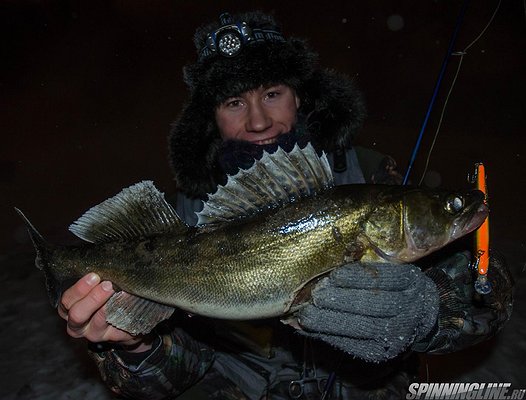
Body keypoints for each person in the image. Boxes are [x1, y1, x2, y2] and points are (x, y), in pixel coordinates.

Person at [58, 11, 513, 399]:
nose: (258, 120)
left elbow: (488, 294)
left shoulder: (373, 178)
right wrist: (135, 348)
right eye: (235, 102)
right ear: (211, 120)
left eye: (272, 93)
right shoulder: (187, 215)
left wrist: (429, 313)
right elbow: (179, 370)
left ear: (300, 97)